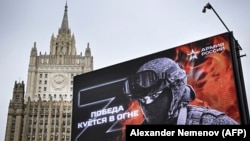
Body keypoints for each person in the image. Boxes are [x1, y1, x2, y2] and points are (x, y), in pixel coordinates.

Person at [122, 57, 239, 125]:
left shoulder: (214, 123)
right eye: (143, 99)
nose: (147, 105)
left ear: (174, 92)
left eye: (153, 96)